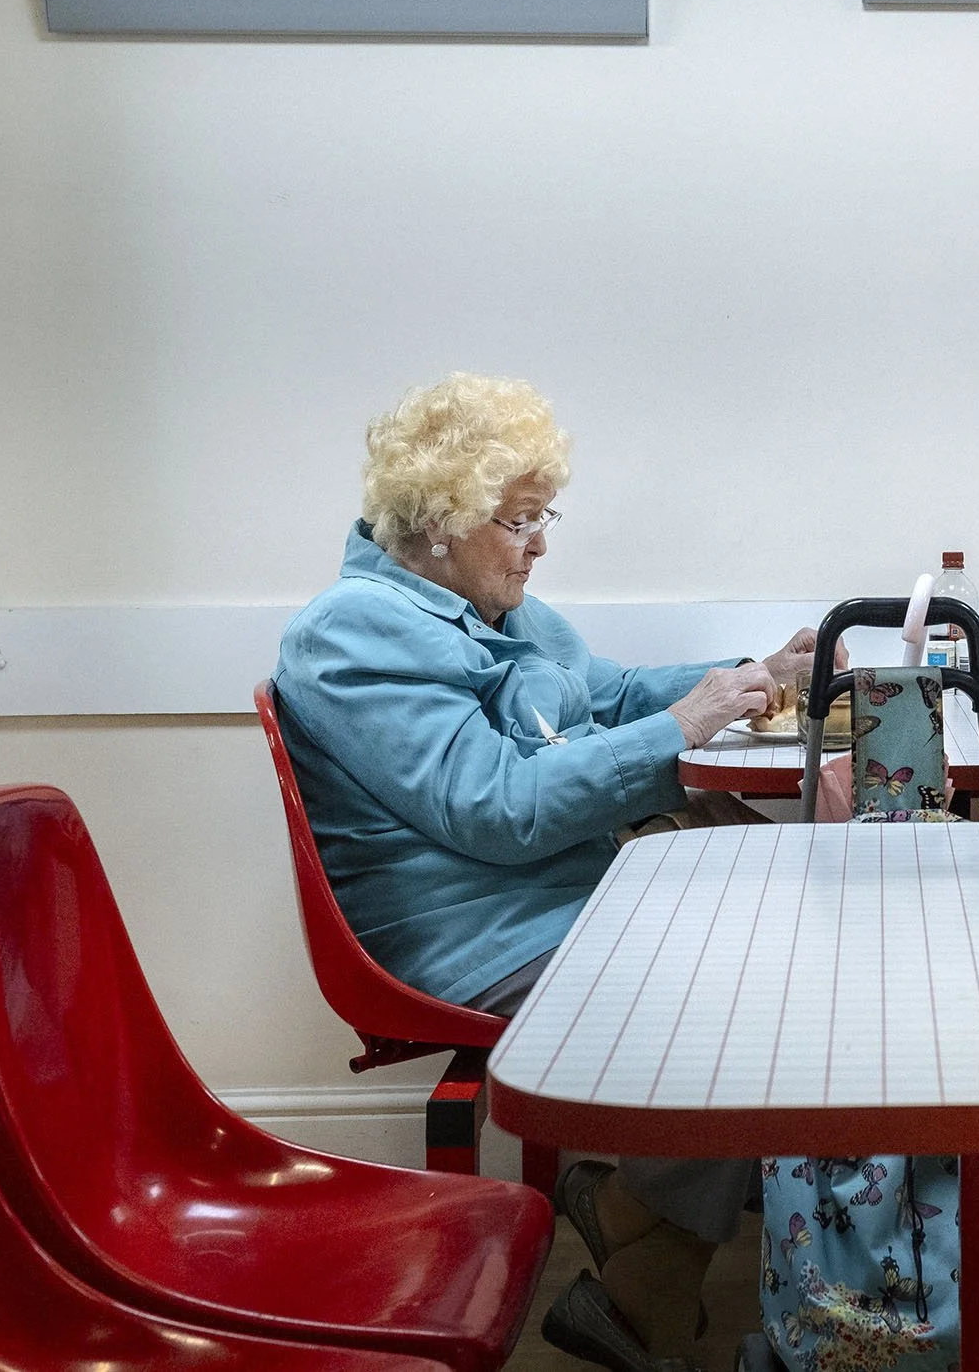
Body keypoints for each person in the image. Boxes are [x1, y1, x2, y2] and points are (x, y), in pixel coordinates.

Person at [273, 373, 812, 1372]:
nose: (540, 542)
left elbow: (608, 695)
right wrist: (682, 728)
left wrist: (752, 677)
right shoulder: (350, 632)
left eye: (540, 515)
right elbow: (498, 810)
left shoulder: (492, 606)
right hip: (466, 932)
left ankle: (632, 1253)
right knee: (746, 1004)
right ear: (438, 522)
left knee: (765, 952)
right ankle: (641, 1272)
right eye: (519, 520)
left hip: (553, 899)